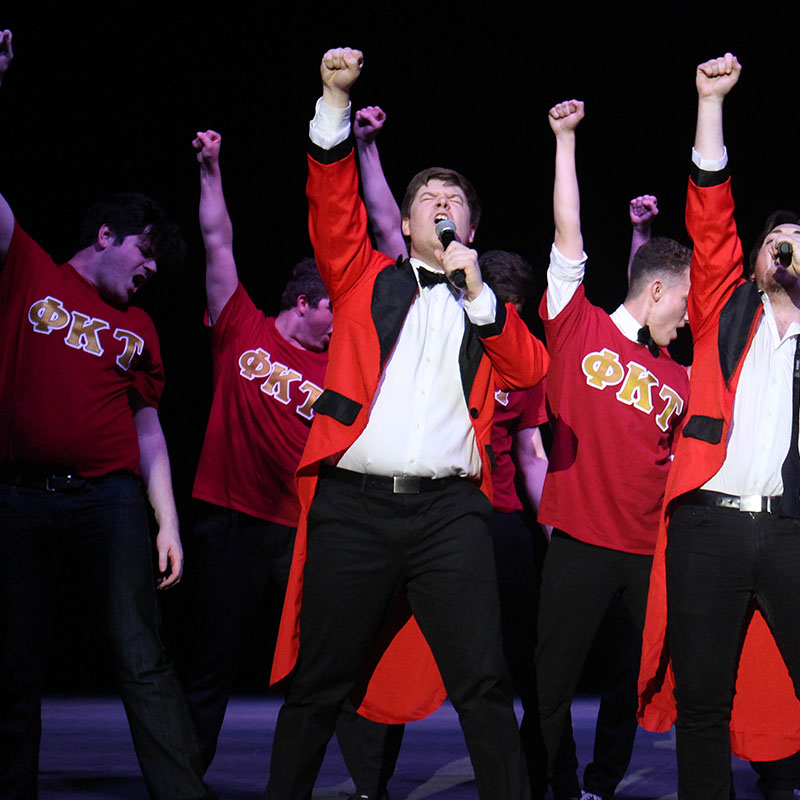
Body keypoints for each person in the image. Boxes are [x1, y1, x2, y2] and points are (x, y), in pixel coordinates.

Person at [265, 47, 548, 800]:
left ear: (471, 223)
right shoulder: (364, 278)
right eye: (429, 196)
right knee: (320, 683)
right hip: (354, 506)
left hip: (451, 511)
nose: (442, 202)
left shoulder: (491, 311)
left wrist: (480, 295)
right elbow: (330, 203)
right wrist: (332, 100)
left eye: (455, 197)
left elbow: (531, 373)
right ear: (407, 217)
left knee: (483, 682)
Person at [0, 31, 215, 800]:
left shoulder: (141, 329)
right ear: (107, 237)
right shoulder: (26, 269)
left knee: (140, 652)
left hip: (111, 500)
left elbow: (149, 430)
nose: (153, 272)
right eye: (148, 254)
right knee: (14, 662)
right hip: (20, 496)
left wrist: (167, 521)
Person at [637, 53, 800, 800]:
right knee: (704, 701)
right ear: (760, 258)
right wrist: (710, 102)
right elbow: (709, 218)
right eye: (778, 242)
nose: (787, 251)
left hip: (791, 532)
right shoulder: (722, 314)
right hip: (710, 529)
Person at [535, 98, 690, 800]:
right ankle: (552, 784)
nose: (685, 321)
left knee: (631, 683)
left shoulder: (682, 377)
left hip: (647, 554)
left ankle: (601, 785)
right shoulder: (580, 328)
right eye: (681, 306)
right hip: (579, 540)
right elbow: (569, 234)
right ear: (658, 292)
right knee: (550, 679)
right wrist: (565, 142)